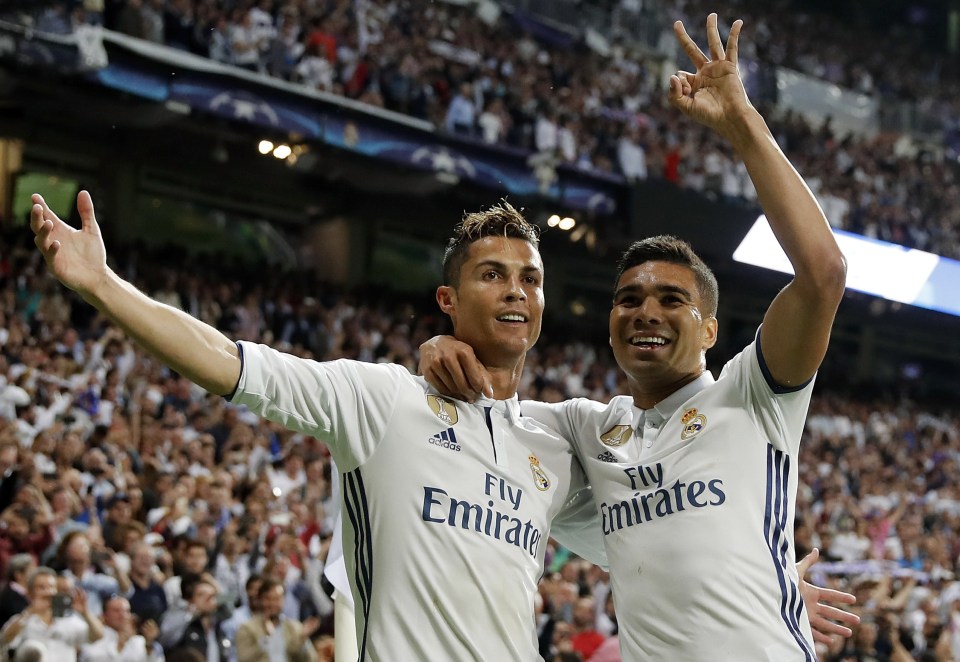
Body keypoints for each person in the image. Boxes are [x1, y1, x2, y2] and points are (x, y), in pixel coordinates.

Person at [420, 13, 854, 661]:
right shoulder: (583, 430)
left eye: (671, 299)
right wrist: (441, 346)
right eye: (629, 299)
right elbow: (483, 416)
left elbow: (823, 275)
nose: (645, 311)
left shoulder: (752, 396)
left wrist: (743, 124)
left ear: (709, 327)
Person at [29, 190, 604, 659]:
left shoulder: (552, 447)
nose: (515, 291)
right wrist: (103, 287)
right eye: (493, 275)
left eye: (530, 279)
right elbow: (229, 362)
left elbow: (663, 524)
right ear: (448, 299)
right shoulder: (381, 400)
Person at [0, 567, 104, 662]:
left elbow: (97, 635)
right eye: (41, 587)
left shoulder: (69, 620)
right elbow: (4, 639)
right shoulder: (23, 619)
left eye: (51, 587)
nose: (48, 592)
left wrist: (85, 613)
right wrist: (29, 612)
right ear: (30, 593)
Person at [235, 578, 318, 662]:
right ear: (260, 600)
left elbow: (310, 659)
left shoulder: (295, 627)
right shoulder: (246, 628)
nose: (272, 603)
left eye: (277, 599)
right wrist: (266, 639)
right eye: (268, 598)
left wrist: (302, 640)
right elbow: (243, 658)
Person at [79, 595, 160, 661]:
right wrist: (120, 644)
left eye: (126, 611)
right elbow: (89, 659)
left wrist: (149, 643)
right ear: (104, 615)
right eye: (116, 611)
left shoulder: (139, 641)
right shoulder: (95, 635)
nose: (123, 615)